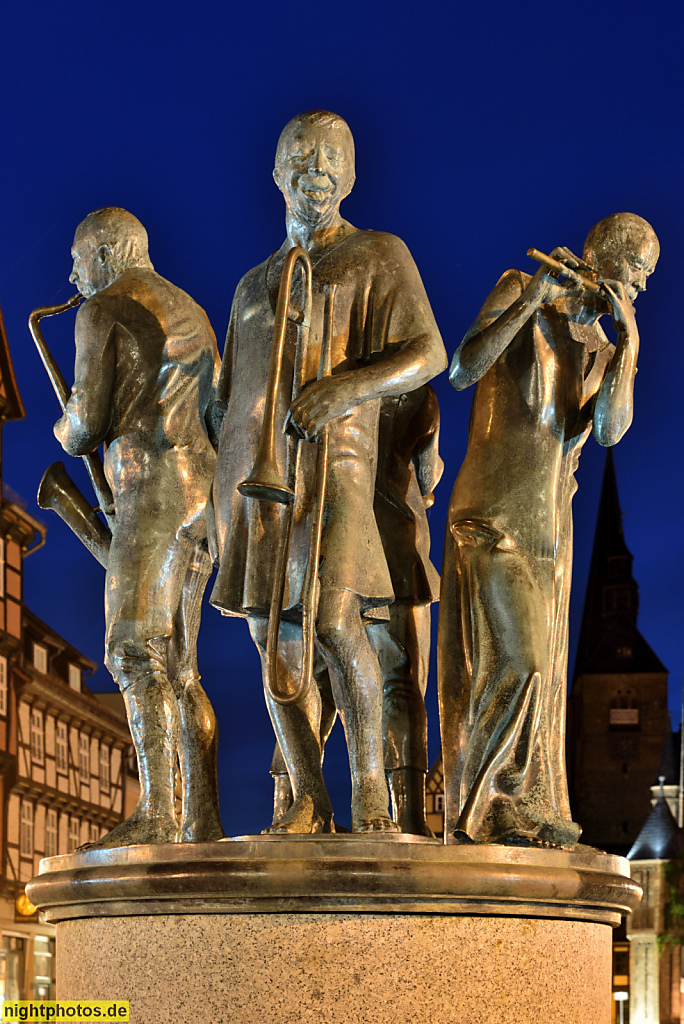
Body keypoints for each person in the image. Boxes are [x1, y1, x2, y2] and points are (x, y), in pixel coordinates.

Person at [210, 110, 446, 834]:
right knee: (269, 637)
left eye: (331, 160)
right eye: (302, 159)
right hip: (252, 484)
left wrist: (345, 389)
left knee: (339, 620)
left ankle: (369, 785)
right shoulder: (254, 284)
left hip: (336, 466)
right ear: (277, 173)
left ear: (351, 174)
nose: (316, 172)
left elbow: (428, 353)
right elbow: (225, 400)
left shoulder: (377, 255)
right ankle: (309, 793)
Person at [438, 213, 659, 847]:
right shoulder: (522, 286)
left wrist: (631, 343)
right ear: (610, 257)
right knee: (523, 661)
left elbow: (611, 429)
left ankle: (526, 803)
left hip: (550, 530)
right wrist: (534, 295)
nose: (640, 287)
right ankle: (486, 803)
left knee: (546, 673)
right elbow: (462, 367)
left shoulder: (603, 348)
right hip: (492, 511)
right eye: (639, 273)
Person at [54, 207, 224, 847]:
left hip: (150, 493)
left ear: (103, 253)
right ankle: (201, 819)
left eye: (77, 257)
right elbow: (216, 411)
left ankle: (156, 813)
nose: (72, 271)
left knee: (133, 650)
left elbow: (86, 425)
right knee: (182, 667)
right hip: (199, 499)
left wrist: (63, 425)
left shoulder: (102, 309)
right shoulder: (190, 310)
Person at [267, 384, 443, 835]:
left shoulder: (316, 380)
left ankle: (290, 803)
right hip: (393, 542)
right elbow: (428, 475)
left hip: (323, 533)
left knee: (308, 672)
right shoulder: (412, 391)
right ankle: (408, 817)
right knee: (399, 684)